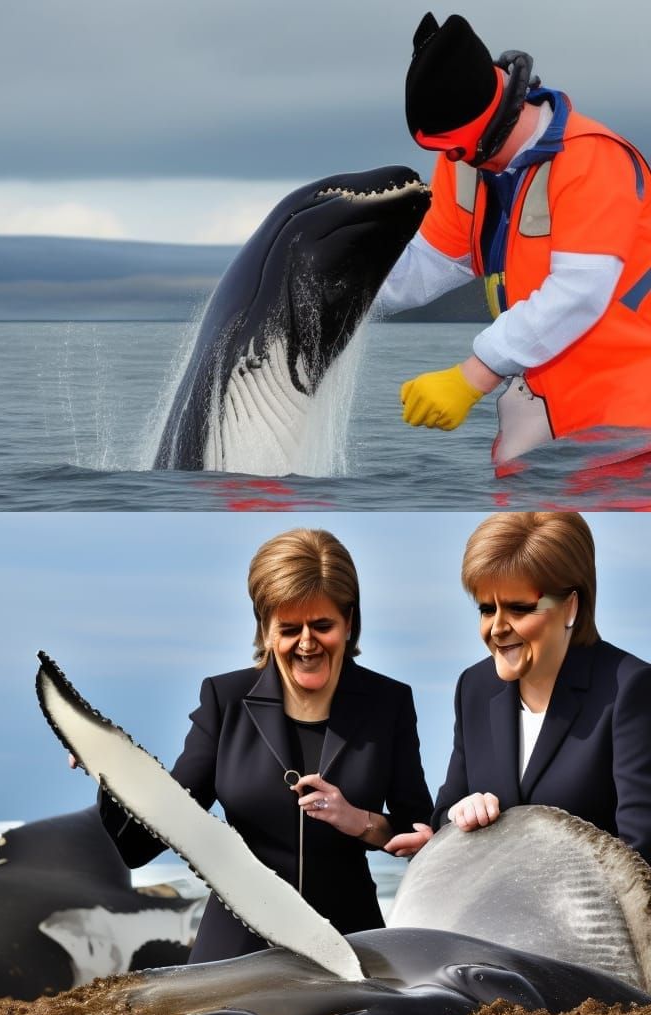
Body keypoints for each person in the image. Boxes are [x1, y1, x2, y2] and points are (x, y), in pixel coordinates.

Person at [96, 528, 432, 964]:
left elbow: (419, 837)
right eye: (289, 629)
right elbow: (143, 844)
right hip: (235, 947)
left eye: (323, 625)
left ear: (350, 621)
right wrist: (108, 769)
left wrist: (361, 822)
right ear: (265, 628)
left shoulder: (389, 702)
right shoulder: (225, 700)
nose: (307, 643)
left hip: (353, 942)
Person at [377, 13, 651, 464]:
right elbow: (430, 262)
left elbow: (578, 292)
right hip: (546, 415)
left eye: (457, 149)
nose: (451, 161)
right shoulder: (465, 166)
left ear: (490, 122)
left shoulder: (592, 159)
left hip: (629, 426)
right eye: (441, 152)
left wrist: (472, 376)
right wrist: (334, 296)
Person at [385, 512, 651, 864]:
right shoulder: (474, 687)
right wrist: (460, 815)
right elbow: (444, 811)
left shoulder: (630, 689)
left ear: (570, 606)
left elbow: (641, 851)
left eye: (519, 608)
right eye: (485, 609)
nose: (496, 628)